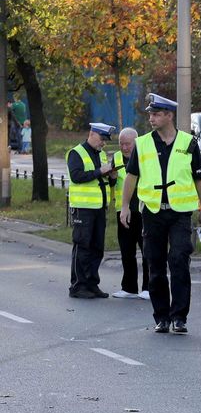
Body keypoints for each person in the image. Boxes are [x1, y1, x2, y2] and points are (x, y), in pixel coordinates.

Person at [119, 94, 201, 335]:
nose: (151, 118)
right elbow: (131, 177)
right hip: (152, 212)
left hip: (180, 213)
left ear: (169, 115)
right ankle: (161, 317)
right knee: (155, 264)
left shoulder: (189, 143)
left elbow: (200, 178)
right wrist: (125, 206)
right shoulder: (143, 143)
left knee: (179, 260)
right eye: (150, 114)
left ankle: (179, 317)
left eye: (156, 114)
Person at [66, 123, 117, 299]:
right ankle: (78, 286)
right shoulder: (76, 153)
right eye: (102, 139)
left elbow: (100, 180)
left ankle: (92, 283)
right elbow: (76, 176)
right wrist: (99, 171)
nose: (103, 143)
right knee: (82, 246)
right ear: (91, 134)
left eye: (105, 140)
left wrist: (111, 177)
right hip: (83, 208)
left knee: (97, 247)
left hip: (99, 208)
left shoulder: (100, 154)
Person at [110, 127, 150, 300]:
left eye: (128, 144)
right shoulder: (116, 158)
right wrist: (111, 177)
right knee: (126, 250)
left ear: (136, 142)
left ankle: (148, 288)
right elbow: (112, 184)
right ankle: (129, 287)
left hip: (144, 210)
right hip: (123, 211)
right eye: (121, 144)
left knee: (147, 250)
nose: (124, 148)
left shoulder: (145, 156)